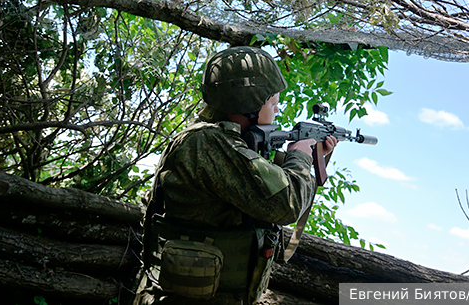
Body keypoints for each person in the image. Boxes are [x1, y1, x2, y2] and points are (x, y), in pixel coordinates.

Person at [134, 46, 337, 305]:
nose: (277, 111)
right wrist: (300, 155)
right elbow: (287, 205)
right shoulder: (209, 143)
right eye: (273, 102)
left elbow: (262, 179)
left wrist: (315, 153)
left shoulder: (220, 141)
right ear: (249, 103)